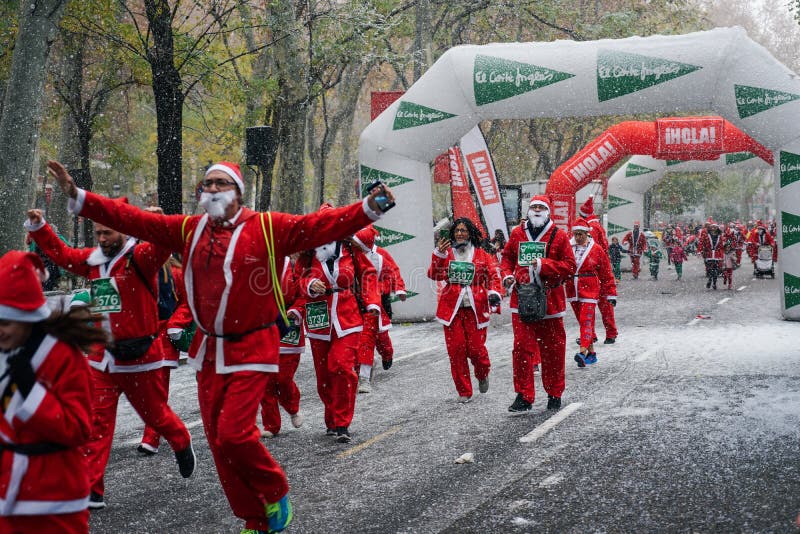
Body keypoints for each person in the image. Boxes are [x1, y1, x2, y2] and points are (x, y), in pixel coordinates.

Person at [47, 159, 393, 533]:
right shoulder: (188, 229)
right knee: (217, 442)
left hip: (254, 347)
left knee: (234, 433)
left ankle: (275, 488)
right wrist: (76, 195)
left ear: (237, 192)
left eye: (220, 183)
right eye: (207, 184)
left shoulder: (267, 226)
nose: (211, 189)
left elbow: (319, 225)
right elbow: (130, 219)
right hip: (210, 350)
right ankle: (253, 519)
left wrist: (369, 207)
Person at [25, 207, 195, 510]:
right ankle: (92, 489)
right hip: (102, 356)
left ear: (123, 231)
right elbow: (62, 254)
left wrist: (153, 222)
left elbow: (167, 242)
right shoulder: (92, 260)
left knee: (155, 416)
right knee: (96, 423)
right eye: (99, 233)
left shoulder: (142, 257)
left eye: (108, 233)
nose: (102, 239)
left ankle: (181, 441)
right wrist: (40, 228)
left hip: (139, 357)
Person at [0, 251, 106, 534]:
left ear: (27, 318)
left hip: (56, 495)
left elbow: (78, 428)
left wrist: (31, 391)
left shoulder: (63, 356)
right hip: (9, 487)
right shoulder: (6, 350)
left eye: (5, 322)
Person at [291, 210, 381, 443]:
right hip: (318, 319)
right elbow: (297, 281)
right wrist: (310, 284)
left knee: (340, 367)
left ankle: (342, 422)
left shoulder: (351, 248)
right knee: (323, 377)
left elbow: (369, 274)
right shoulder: (309, 253)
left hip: (347, 318)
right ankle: (331, 418)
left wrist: (372, 303)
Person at [500, 195, 576, 413]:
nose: (536, 210)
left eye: (541, 207)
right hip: (521, 299)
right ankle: (524, 395)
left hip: (550, 301)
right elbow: (506, 259)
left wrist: (544, 265)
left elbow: (570, 266)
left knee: (553, 350)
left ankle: (554, 393)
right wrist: (506, 276)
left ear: (548, 211)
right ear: (528, 210)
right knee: (521, 348)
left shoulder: (559, 236)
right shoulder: (517, 233)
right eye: (533, 207)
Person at [427, 217, 502, 402]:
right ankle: (464, 391)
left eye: (463, 230)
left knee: (476, 351)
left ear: (470, 233)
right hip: (452, 310)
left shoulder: (482, 255)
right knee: (457, 350)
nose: (460, 233)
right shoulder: (446, 253)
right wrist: (439, 254)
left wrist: (494, 293)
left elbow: (493, 276)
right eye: (457, 231)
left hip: (475, 309)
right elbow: (433, 274)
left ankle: (482, 372)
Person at [138, 253, 185, 456]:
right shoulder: (136, 270)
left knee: (156, 390)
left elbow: (187, 303)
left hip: (163, 336)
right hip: (139, 337)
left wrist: (176, 324)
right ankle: (170, 430)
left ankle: (151, 437)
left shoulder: (176, 273)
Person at [352, 225, 406, 393]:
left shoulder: (380, 255)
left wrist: (399, 289)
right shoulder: (350, 253)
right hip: (355, 303)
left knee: (381, 338)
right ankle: (363, 376)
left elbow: (394, 271)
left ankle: (387, 354)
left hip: (377, 301)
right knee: (362, 341)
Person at [260, 256, 304, 438]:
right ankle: (271, 425)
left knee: (283, 378)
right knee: (265, 381)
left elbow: (303, 294)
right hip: (264, 324)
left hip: (289, 322)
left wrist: (296, 311)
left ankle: (293, 408)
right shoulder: (257, 263)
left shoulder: (294, 265)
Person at [566, 219, 616, 368]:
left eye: (580, 234)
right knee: (583, 322)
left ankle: (582, 352)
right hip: (572, 290)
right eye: (575, 234)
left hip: (590, 290)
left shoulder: (596, 250)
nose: (578, 237)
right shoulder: (568, 247)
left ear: (587, 233)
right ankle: (592, 355)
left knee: (586, 320)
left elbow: (606, 273)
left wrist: (611, 293)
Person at [579, 196, 617, 345]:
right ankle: (609, 333)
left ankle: (591, 334)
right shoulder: (596, 225)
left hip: (594, 271)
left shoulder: (590, 228)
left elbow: (588, 248)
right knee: (604, 303)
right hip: (601, 268)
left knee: (590, 304)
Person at [698, 221, 724, 290]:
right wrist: (700, 251)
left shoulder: (719, 236)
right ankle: (710, 280)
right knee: (709, 269)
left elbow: (721, 246)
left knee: (715, 270)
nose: (713, 228)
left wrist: (722, 254)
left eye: (715, 227)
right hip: (708, 254)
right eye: (712, 227)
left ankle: (714, 283)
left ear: (717, 228)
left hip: (717, 255)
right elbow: (701, 243)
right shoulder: (706, 235)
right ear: (710, 228)